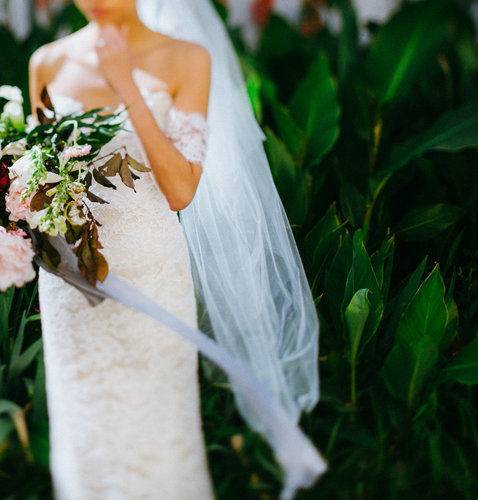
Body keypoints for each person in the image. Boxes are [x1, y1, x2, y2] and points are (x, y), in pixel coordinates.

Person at [28, 1, 326, 499]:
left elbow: (181, 190)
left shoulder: (186, 58)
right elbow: (38, 179)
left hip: (149, 272)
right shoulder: (47, 62)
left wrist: (125, 83)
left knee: (156, 436)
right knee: (85, 434)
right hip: (70, 286)